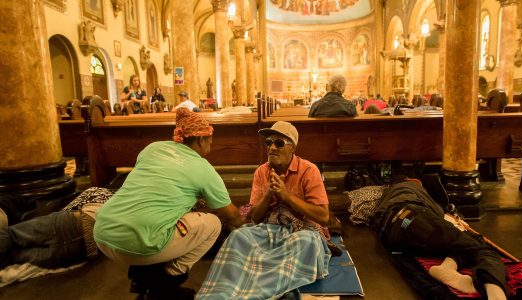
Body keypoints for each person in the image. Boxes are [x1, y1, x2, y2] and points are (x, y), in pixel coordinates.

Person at [93, 108, 244, 299]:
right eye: (210, 139)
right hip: (138, 244)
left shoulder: (153, 148)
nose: (211, 145)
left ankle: (142, 276)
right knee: (212, 224)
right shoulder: (202, 168)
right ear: (200, 139)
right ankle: (166, 284)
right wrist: (246, 222)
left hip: (103, 233)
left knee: (167, 216)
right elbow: (232, 216)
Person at [198, 121, 332, 299]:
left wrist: (287, 196)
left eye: (279, 143)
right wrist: (268, 194)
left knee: (306, 242)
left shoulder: (309, 170)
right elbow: (255, 219)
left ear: (293, 148)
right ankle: (223, 291)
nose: (272, 148)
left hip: (302, 230)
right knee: (239, 236)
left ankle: (258, 290)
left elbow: (323, 217)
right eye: (269, 142)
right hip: (271, 228)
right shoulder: (261, 172)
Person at [371, 177, 507, 300]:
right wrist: (456, 224)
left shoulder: (388, 195)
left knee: (462, 243)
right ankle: (497, 295)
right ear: (412, 180)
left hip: (392, 234)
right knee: (481, 248)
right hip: (410, 216)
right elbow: (440, 214)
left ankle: (447, 267)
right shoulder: (413, 187)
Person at [0, 187, 114, 271]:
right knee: (13, 257)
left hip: (74, 222)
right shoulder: (116, 202)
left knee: (11, 235)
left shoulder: (101, 192)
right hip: (84, 250)